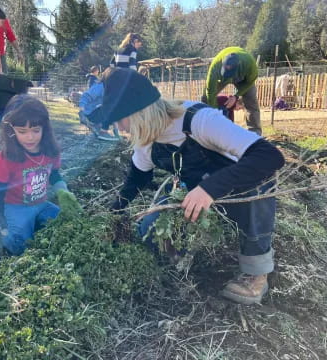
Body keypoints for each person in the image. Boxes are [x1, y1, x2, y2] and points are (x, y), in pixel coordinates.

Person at [103, 68, 285, 305]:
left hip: (242, 185)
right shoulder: (146, 139)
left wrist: (210, 189)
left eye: (120, 119)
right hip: (195, 189)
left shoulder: (198, 120)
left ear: (139, 113)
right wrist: (113, 215)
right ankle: (180, 254)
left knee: (255, 194)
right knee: (150, 229)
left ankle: (257, 270)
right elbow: (137, 179)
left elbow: (270, 157)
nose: (121, 128)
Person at [0, 94, 72, 255]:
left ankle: (33, 222)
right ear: (11, 130)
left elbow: (54, 174)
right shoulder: (7, 158)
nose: (30, 137)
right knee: (18, 246)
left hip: (41, 204)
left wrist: (63, 193)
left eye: (36, 130)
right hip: (16, 207)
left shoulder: (50, 151)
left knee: (67, 225)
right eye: (22, 131)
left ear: (44, 128)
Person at [202, 47, 262, 135]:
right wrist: (215, 114)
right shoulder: (215, 67)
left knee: (251, 102)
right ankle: (207, 129)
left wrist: (236, 96)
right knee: (205, 98)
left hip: (242, 79)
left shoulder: (249, 64)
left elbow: (250, 82)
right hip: (222, 79)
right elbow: (210, 93)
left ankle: (255, 133)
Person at [79, 69, 119, 141]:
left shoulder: (109, 89)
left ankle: (98, 126)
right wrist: (82, 112)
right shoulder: (99, 87)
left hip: (94, 112)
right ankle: (103, 132)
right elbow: (86, 96)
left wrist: (116, 132)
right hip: (88, 114)